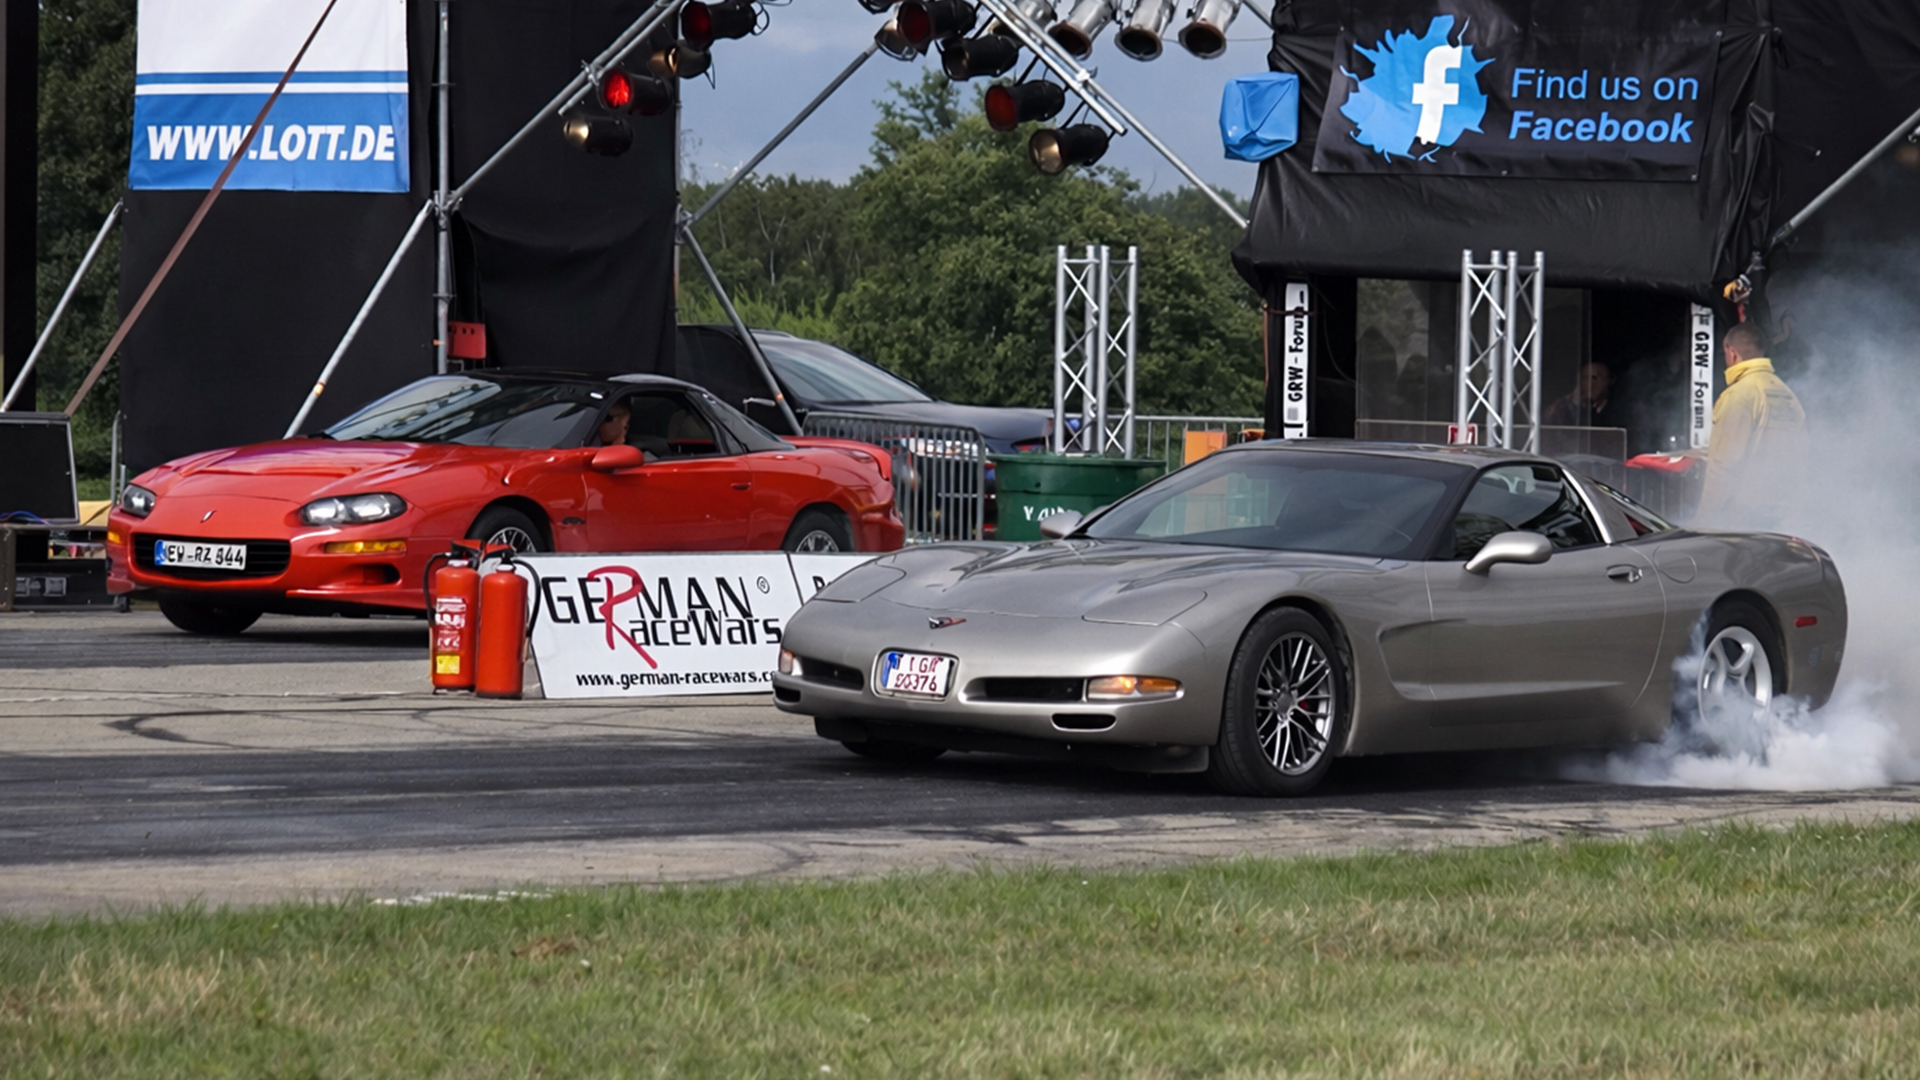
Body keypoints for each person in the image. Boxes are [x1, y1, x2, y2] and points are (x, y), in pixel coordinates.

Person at [1694, 322, 1808, 526]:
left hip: (1744, 517)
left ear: (1731, 352)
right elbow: (1803, 458)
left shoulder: (1739, 395)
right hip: (1783, 516)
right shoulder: (1788, 395)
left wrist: (1703, 522)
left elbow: (1724, 464)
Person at [1543, 362, 1627, 428]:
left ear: (1610, 380)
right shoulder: (1563, 408)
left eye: (1596, 377)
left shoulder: (1620, 411)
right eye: (1585, 377)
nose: (1591, 383)